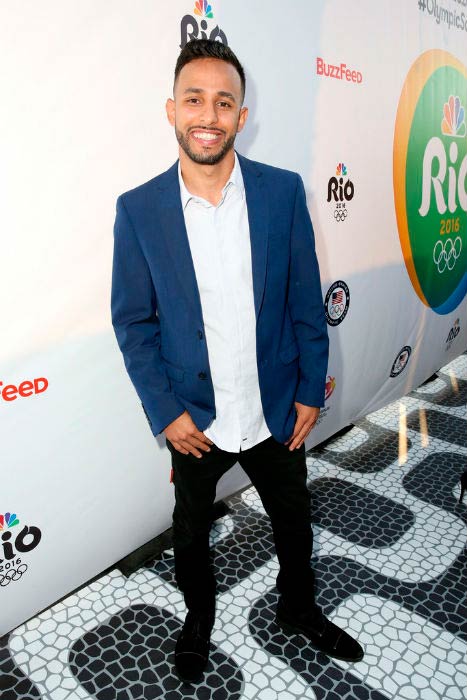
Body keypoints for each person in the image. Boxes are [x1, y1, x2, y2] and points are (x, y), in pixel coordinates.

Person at [111, 39, 364, 683]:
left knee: (294, 519)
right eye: (194, 99)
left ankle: (298, 609)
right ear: (171, 110)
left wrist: (311, 389)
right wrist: (165, 412)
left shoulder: (281, 194)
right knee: (191, 532)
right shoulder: (138, 210)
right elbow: (133, 322)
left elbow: (307, 301)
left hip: (276, 407)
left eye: (224, 102)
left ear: (241, 116)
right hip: (194, 420)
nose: (209, 114)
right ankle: (199, 620)